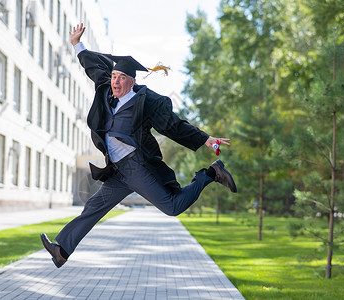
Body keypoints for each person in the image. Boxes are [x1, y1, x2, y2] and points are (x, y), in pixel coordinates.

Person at [40, 23, 237, 268]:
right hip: (118, 170)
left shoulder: (146, 102)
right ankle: (62, 251)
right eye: (114, 76)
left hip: (136, 166)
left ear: (132, 81)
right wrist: (76, 44)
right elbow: (93, 68)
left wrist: (206, 139)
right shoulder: (106, 91)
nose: (116, 81)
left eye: (122, 77)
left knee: (172, 207)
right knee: (94, 205)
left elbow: (173, 125)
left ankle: (211, 173)